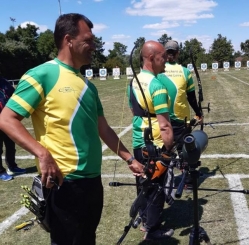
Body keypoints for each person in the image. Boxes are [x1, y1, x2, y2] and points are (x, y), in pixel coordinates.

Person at [0, 13, 144, 245]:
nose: (94, 46)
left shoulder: (87, 85)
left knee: (87, 238)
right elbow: (6, 119)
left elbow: (103, 128)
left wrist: (129, 159)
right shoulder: (42, 74)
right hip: (64, 181)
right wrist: (42, 154)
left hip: (91, 180)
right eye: (88, 40)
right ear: (68, 40)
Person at [128, 40, 175, 241]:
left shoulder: (134, 80)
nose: (166, 60)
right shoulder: (157, 85)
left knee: (144, 183)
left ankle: (145, 220)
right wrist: (168, 149)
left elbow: (133, 109)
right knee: (156, 187)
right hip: (155, 144)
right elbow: (165, 125)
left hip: (139, 141)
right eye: (162, 56)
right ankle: (153, 230)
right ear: (150, 58)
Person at [157, 40, 204, 189]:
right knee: (185, 150)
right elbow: (191, 96)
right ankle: (188, 180)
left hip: (161, 117)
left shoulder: (158, 70)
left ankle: (162, 180)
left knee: (163, 150)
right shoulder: (184, 71)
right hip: (180, 119)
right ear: (178, 54)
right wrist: (198, 112)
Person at [0, 76, 26, 181]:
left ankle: (12, 166)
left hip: (7, 120)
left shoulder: (4, 82)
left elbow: (14, 96)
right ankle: (1, 171)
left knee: (11, 145)